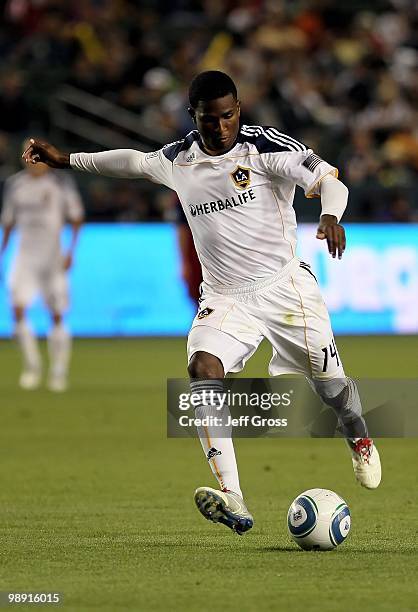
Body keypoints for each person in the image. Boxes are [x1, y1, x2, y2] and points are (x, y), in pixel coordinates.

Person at [22, 71, 381, 534]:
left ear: (238, 111)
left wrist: (331, 214)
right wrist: (67, 159)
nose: (221, 127)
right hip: (226, 297)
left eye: (229, 116)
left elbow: (331, 180)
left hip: (286, 289)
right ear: (194, 116)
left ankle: (360, 440)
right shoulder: (179, 159)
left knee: (334, 390)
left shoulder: (266, 149)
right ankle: (234, 496)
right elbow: (131, 162)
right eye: (210, 119)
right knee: (202, 367)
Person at [1, 140, 84, 391]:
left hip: (52, 257)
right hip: (24, 256)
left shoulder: (60, 184)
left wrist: (71, 251)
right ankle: (32, 366)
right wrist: (2, 253)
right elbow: (8, 222)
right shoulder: (15, 185)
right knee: (17, 309)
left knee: (57, 314)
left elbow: (76, 218)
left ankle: (58, 371)